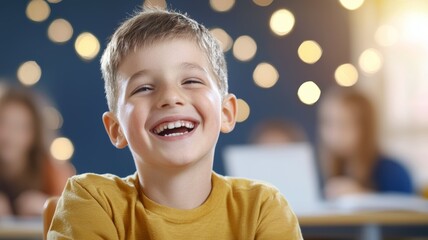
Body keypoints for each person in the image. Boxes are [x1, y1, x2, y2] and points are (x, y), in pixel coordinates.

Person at [48, 8, 302, 239]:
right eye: (144, 88)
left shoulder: (261, 206)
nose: (170, 97)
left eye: (191, 81)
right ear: (116, 129)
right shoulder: (91, 199)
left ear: (226, 112)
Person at [318, 87, 413, 199]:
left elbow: (407, 212)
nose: (335, 133)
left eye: (344, 124)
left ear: (365, 128)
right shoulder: (320, 173)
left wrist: (362, 196)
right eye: (329, 123)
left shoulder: (394, 173)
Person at [0, 87, 74, 217]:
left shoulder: (51, 170)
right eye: (3, 124)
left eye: (20, 127)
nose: (9, 136)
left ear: (35, 134)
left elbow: (74, 214)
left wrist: (46, 205)